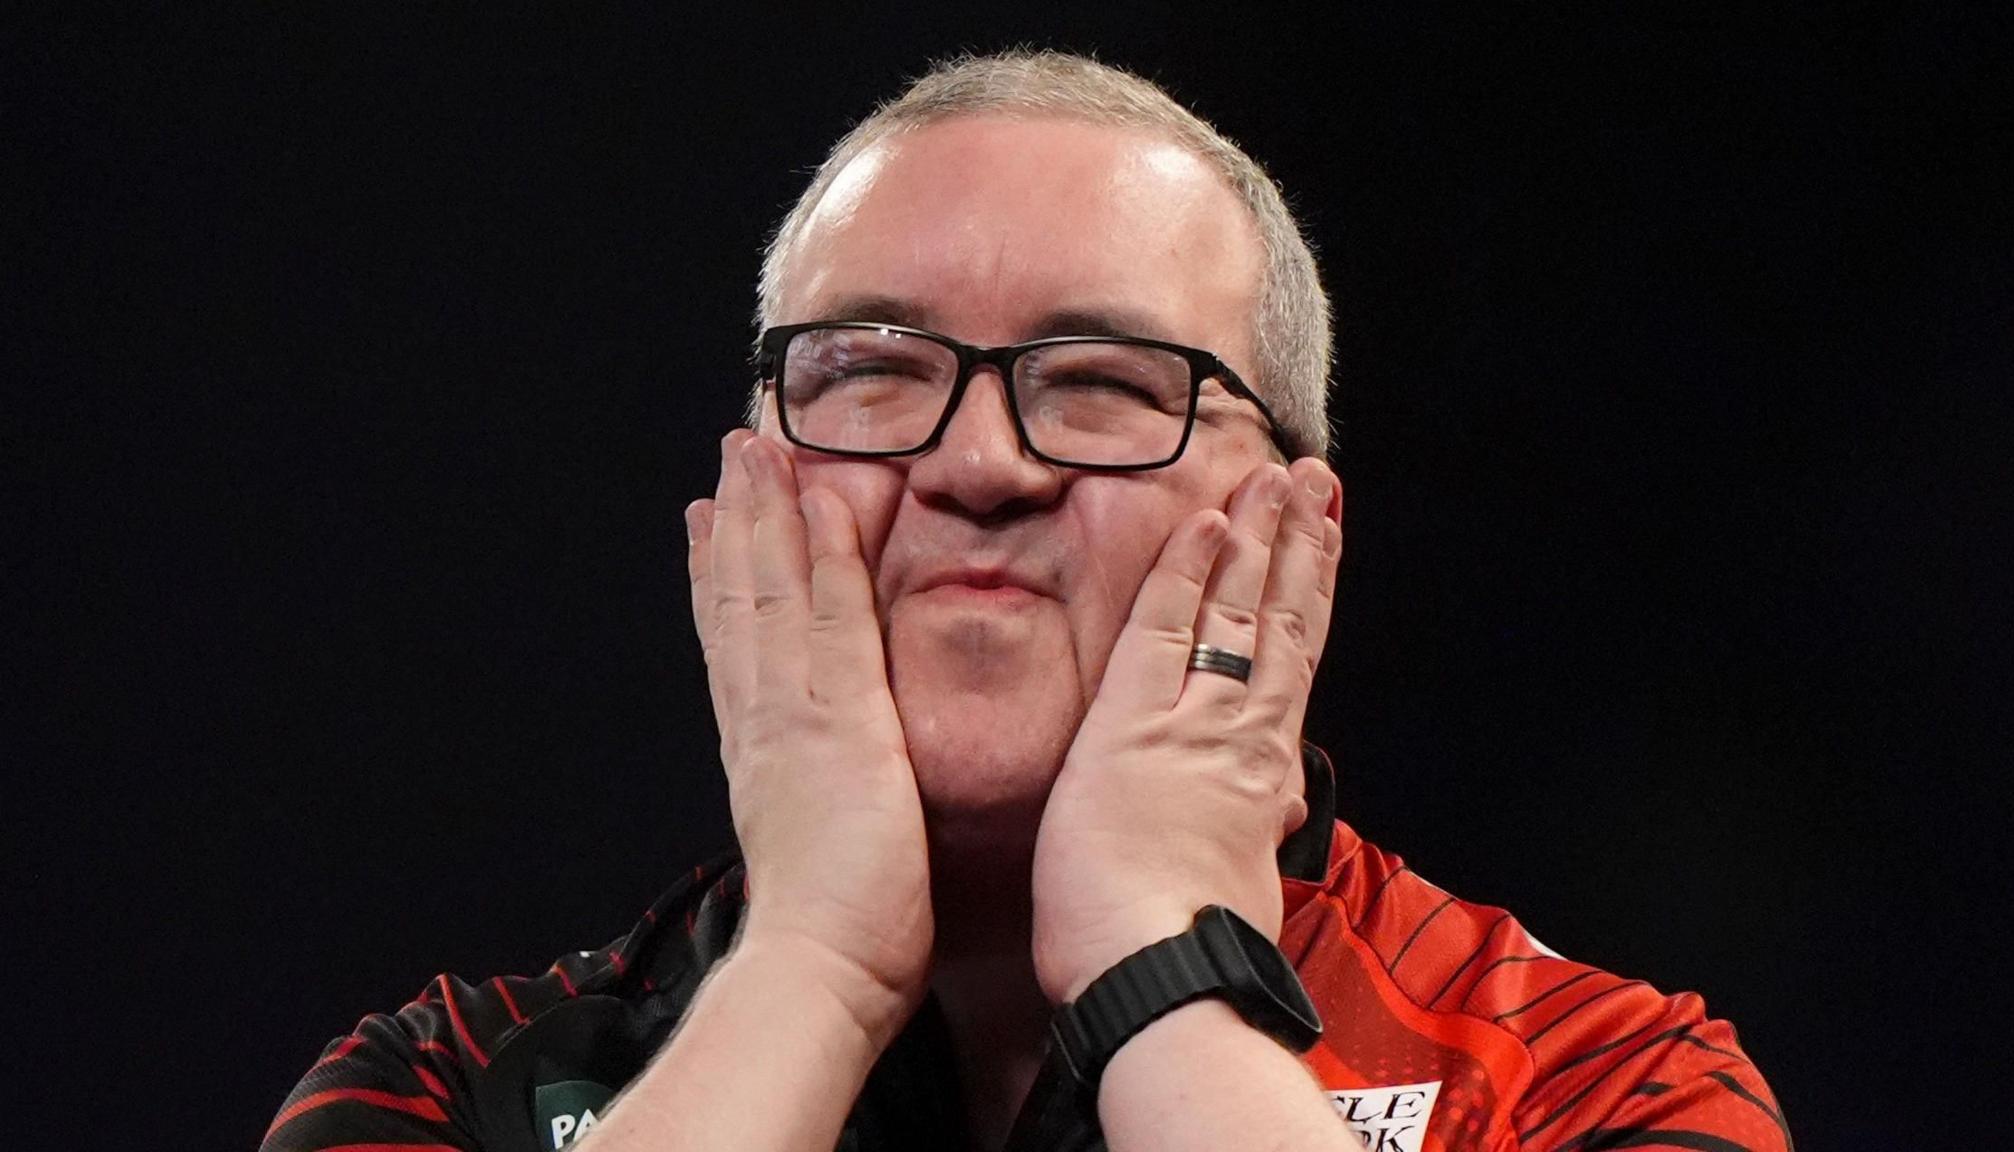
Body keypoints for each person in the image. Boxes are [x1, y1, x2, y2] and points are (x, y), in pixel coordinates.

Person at [260, 50, 1789, 1152]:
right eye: (873, 372)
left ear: (1295, 529)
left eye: (1110, 384)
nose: (981, 462)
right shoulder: (448, 1087)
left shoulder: (1600, 1083)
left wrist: (1160, 964)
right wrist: (814, 961)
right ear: (744, 495)